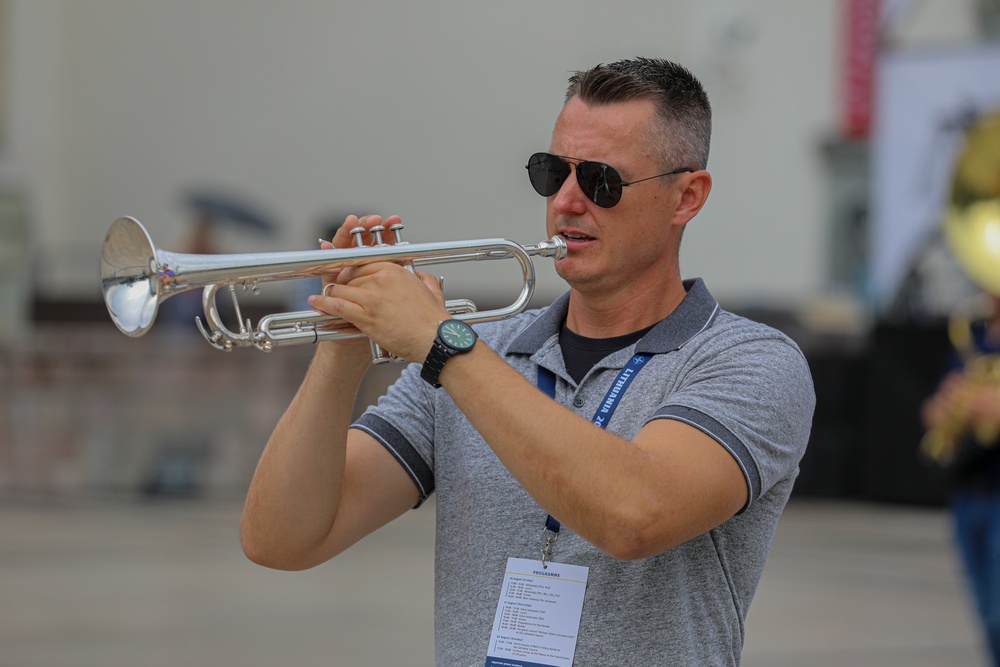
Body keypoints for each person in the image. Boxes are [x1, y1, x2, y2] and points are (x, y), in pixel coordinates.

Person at [240, 57, 815, 666]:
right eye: (551, 172)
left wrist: (445, 347)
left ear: (686, 197)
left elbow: (635, 517)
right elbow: (280, 539)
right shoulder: (475, 352)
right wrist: (341, 353)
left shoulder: (750, 361)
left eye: (601, 181)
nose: (566, 202)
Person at [921, 292, 1000, 666]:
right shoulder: (973, 338)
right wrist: (945, 408)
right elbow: (934, 408)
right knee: (988, 616)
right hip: (970, 495)